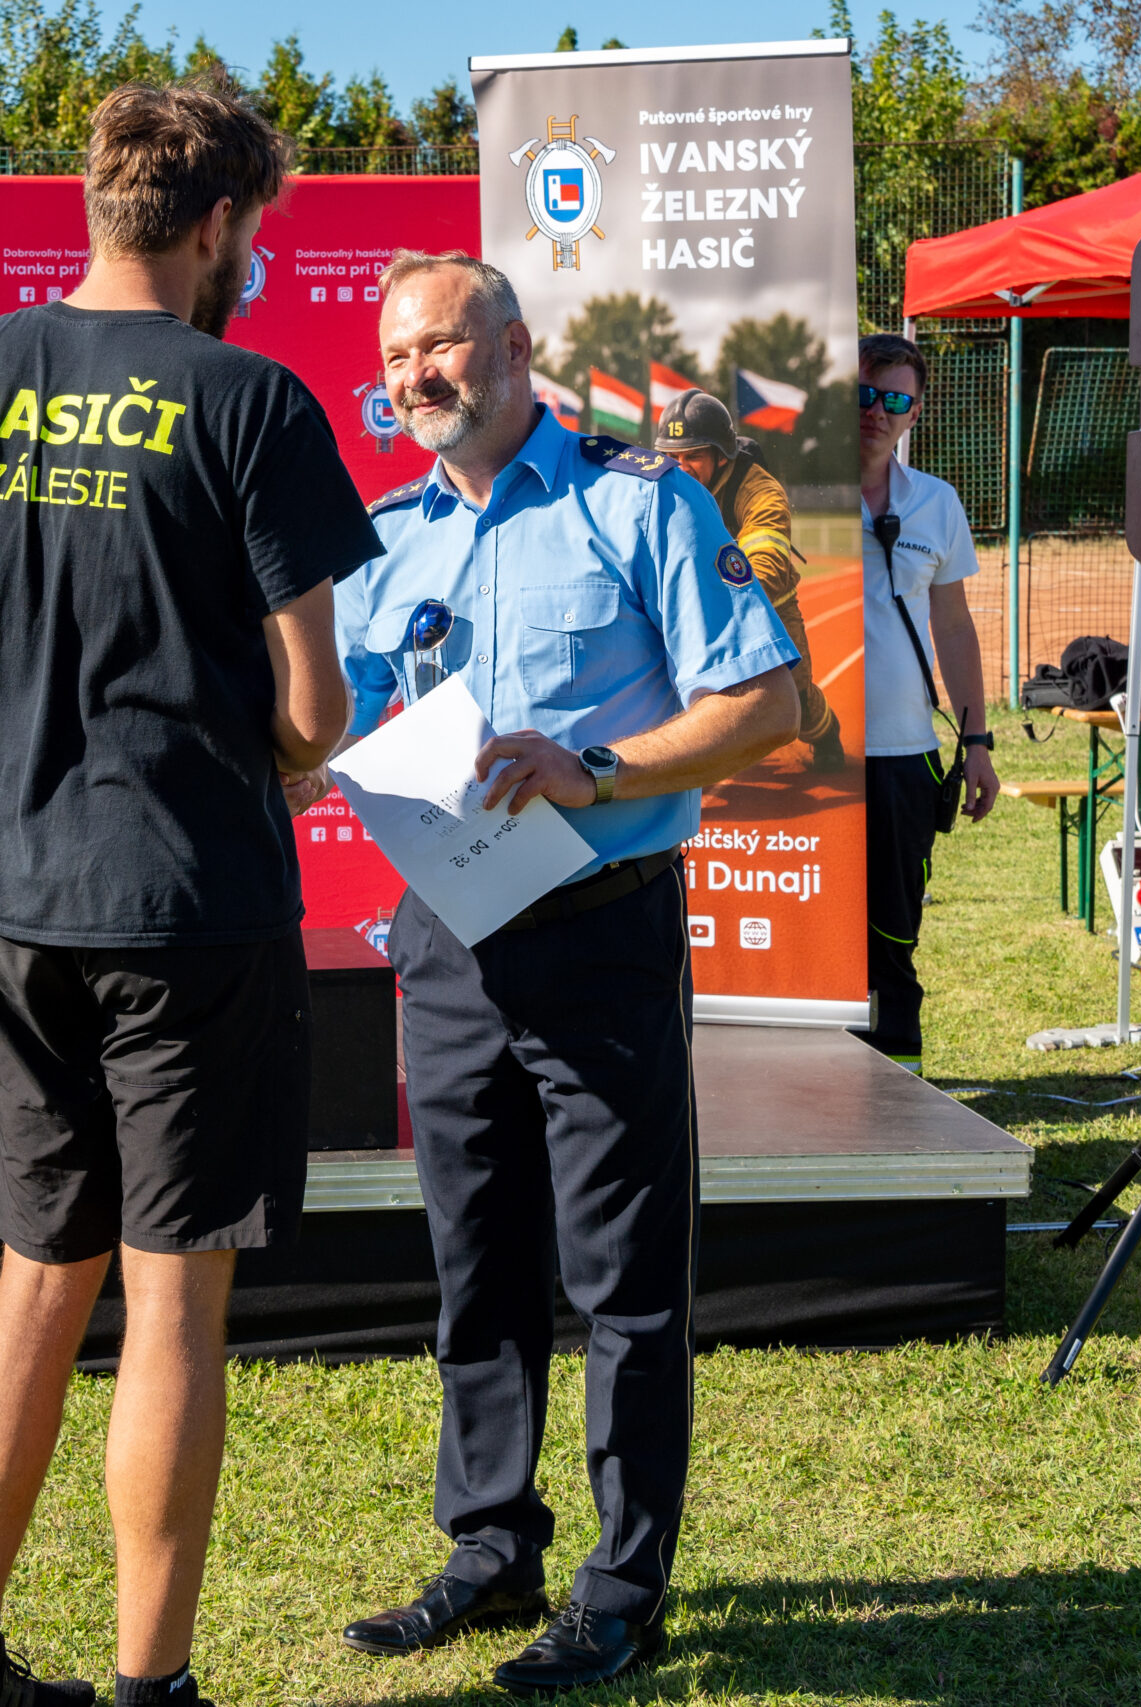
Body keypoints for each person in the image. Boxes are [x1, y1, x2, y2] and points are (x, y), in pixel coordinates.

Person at [0, 80, 383, 1707]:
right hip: (189, 901)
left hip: (7, 895)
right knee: (173, 1293)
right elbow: (314, 708)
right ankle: (152, 1687)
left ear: (98, 202)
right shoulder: (251, 398)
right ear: (219, 222)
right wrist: (282, 748)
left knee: (38, 1269)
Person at [296, 251, 801, 1696]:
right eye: (395, 359)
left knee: (623, 1278)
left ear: (517, 347)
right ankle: (490, 1546)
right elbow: (338, 728)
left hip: (601, 928)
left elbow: (765, 702)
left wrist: (593, 767)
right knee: (477, 1261)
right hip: (445, 936)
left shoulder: (641, 503)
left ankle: (621, 1586)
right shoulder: (379, 540)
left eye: (439, 347)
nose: (415, 377)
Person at [853, 333, 999, 1073]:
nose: (876, 411)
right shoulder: (787, 497)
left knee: (892, 935)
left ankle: (896, 1092)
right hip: (806, 752)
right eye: (863, 394)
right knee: (810, 934)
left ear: (915, 413)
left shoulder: (936, 503)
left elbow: (955, 626)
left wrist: (978, 744)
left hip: (902, 754)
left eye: (895, 399)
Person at [655, 389, 844, 770]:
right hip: (690, 605)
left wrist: (715, 607)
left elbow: (767, 566)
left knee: (797, 704)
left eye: (694, 456)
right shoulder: (657, 483)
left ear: (722, 456)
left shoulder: (760, 491)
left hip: (767, 605)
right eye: (673, 457)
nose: (681, 467)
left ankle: (827, 735)